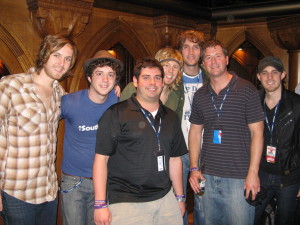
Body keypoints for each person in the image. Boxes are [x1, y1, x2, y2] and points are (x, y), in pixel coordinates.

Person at [93, 58, 188, 225]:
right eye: (146, 77)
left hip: (165, 200)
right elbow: (101, 159)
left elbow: (175, 159)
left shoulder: (171, 117)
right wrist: (100, 204)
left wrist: (180, 197)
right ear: (135, 82)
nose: (152, 82)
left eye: (157, 77)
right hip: (127, 202)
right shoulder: (116, 113)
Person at [0, 34, 77, 225]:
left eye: (68, 59)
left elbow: (85, 106)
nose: (62, 63)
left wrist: (110, 93)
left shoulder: (60, 94)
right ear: (44, 54)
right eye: (57, 55)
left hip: (49, 192)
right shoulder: (11, 86)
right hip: (17, 192)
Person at [189, 40, 264, 225]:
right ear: (203, 63)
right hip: (207, 177)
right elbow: (195, 132)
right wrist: (193, 168)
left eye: (217, 56)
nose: (213, 62)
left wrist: (253, 173)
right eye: (208, 57)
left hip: (239, 178)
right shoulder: (200, 95)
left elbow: (258, 134)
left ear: (227, 59)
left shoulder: (247, 90)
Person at [60, 50, 123, 225]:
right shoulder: (69, 102)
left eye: (110, 75)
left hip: (105, 182)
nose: (105, 80)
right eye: (99, 74)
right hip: (74, 182)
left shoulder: (116, 101)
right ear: (89, 77)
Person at [254, 56, 300, 225]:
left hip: (288, 178)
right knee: (251, 218)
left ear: (283, 75)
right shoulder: (252, 102)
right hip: (260, 175)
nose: (269, 77)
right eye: (264, 73)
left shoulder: (296, 104)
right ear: (259, 77)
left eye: (274, 72)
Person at [177, 29, 209, 225]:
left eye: (195, 47)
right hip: (178, 151)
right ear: (180, 51)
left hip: (205, 152)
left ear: (201, 51)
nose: (190, 52)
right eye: (186, 47)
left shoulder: (212, 77)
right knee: (177, 201)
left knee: (203, 201)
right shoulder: (170, 78)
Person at [120, 47, 184, 119]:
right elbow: (120, 117)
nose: (171, 71)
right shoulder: (132, 89)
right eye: (166, 65)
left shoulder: (174, 98)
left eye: (175, 67)